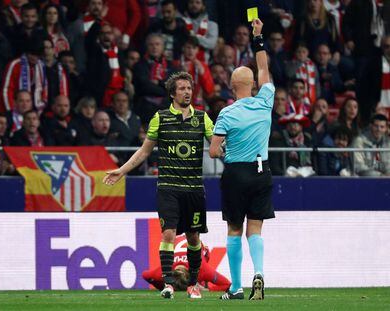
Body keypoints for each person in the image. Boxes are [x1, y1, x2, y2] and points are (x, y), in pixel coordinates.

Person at [103, 71, 214, 299]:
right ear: (173, 94)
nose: (187, 92)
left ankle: (193, 283)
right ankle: (168, 284)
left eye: (189, 88)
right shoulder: (160, 118)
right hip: (168, 187)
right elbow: (144, 150)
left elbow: (217, 147)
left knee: (193, 237)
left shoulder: (202, 118)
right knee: (168, 234)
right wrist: (122, 171)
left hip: (193, 189)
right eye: (182, 88)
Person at [209, 18, 275, 300]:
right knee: (255, 228)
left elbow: (213, 150)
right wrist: (257, 36)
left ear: (230, 84)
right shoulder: (266, 100)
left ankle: (236, 287)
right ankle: (258, 272)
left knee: (234, 229)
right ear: (253, 84)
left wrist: (227, 151)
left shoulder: (226, 114)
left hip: (235, 173)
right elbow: (263, 67)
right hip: (261, 171)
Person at [142, 234, 231, 292]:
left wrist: (206, 290)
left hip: (202, 250)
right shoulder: (165, 271)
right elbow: (145, 275)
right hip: (183, 240)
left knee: (204, 272)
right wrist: (164, 287)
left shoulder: (202, 269)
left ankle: (203, 283)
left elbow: (227, 284)